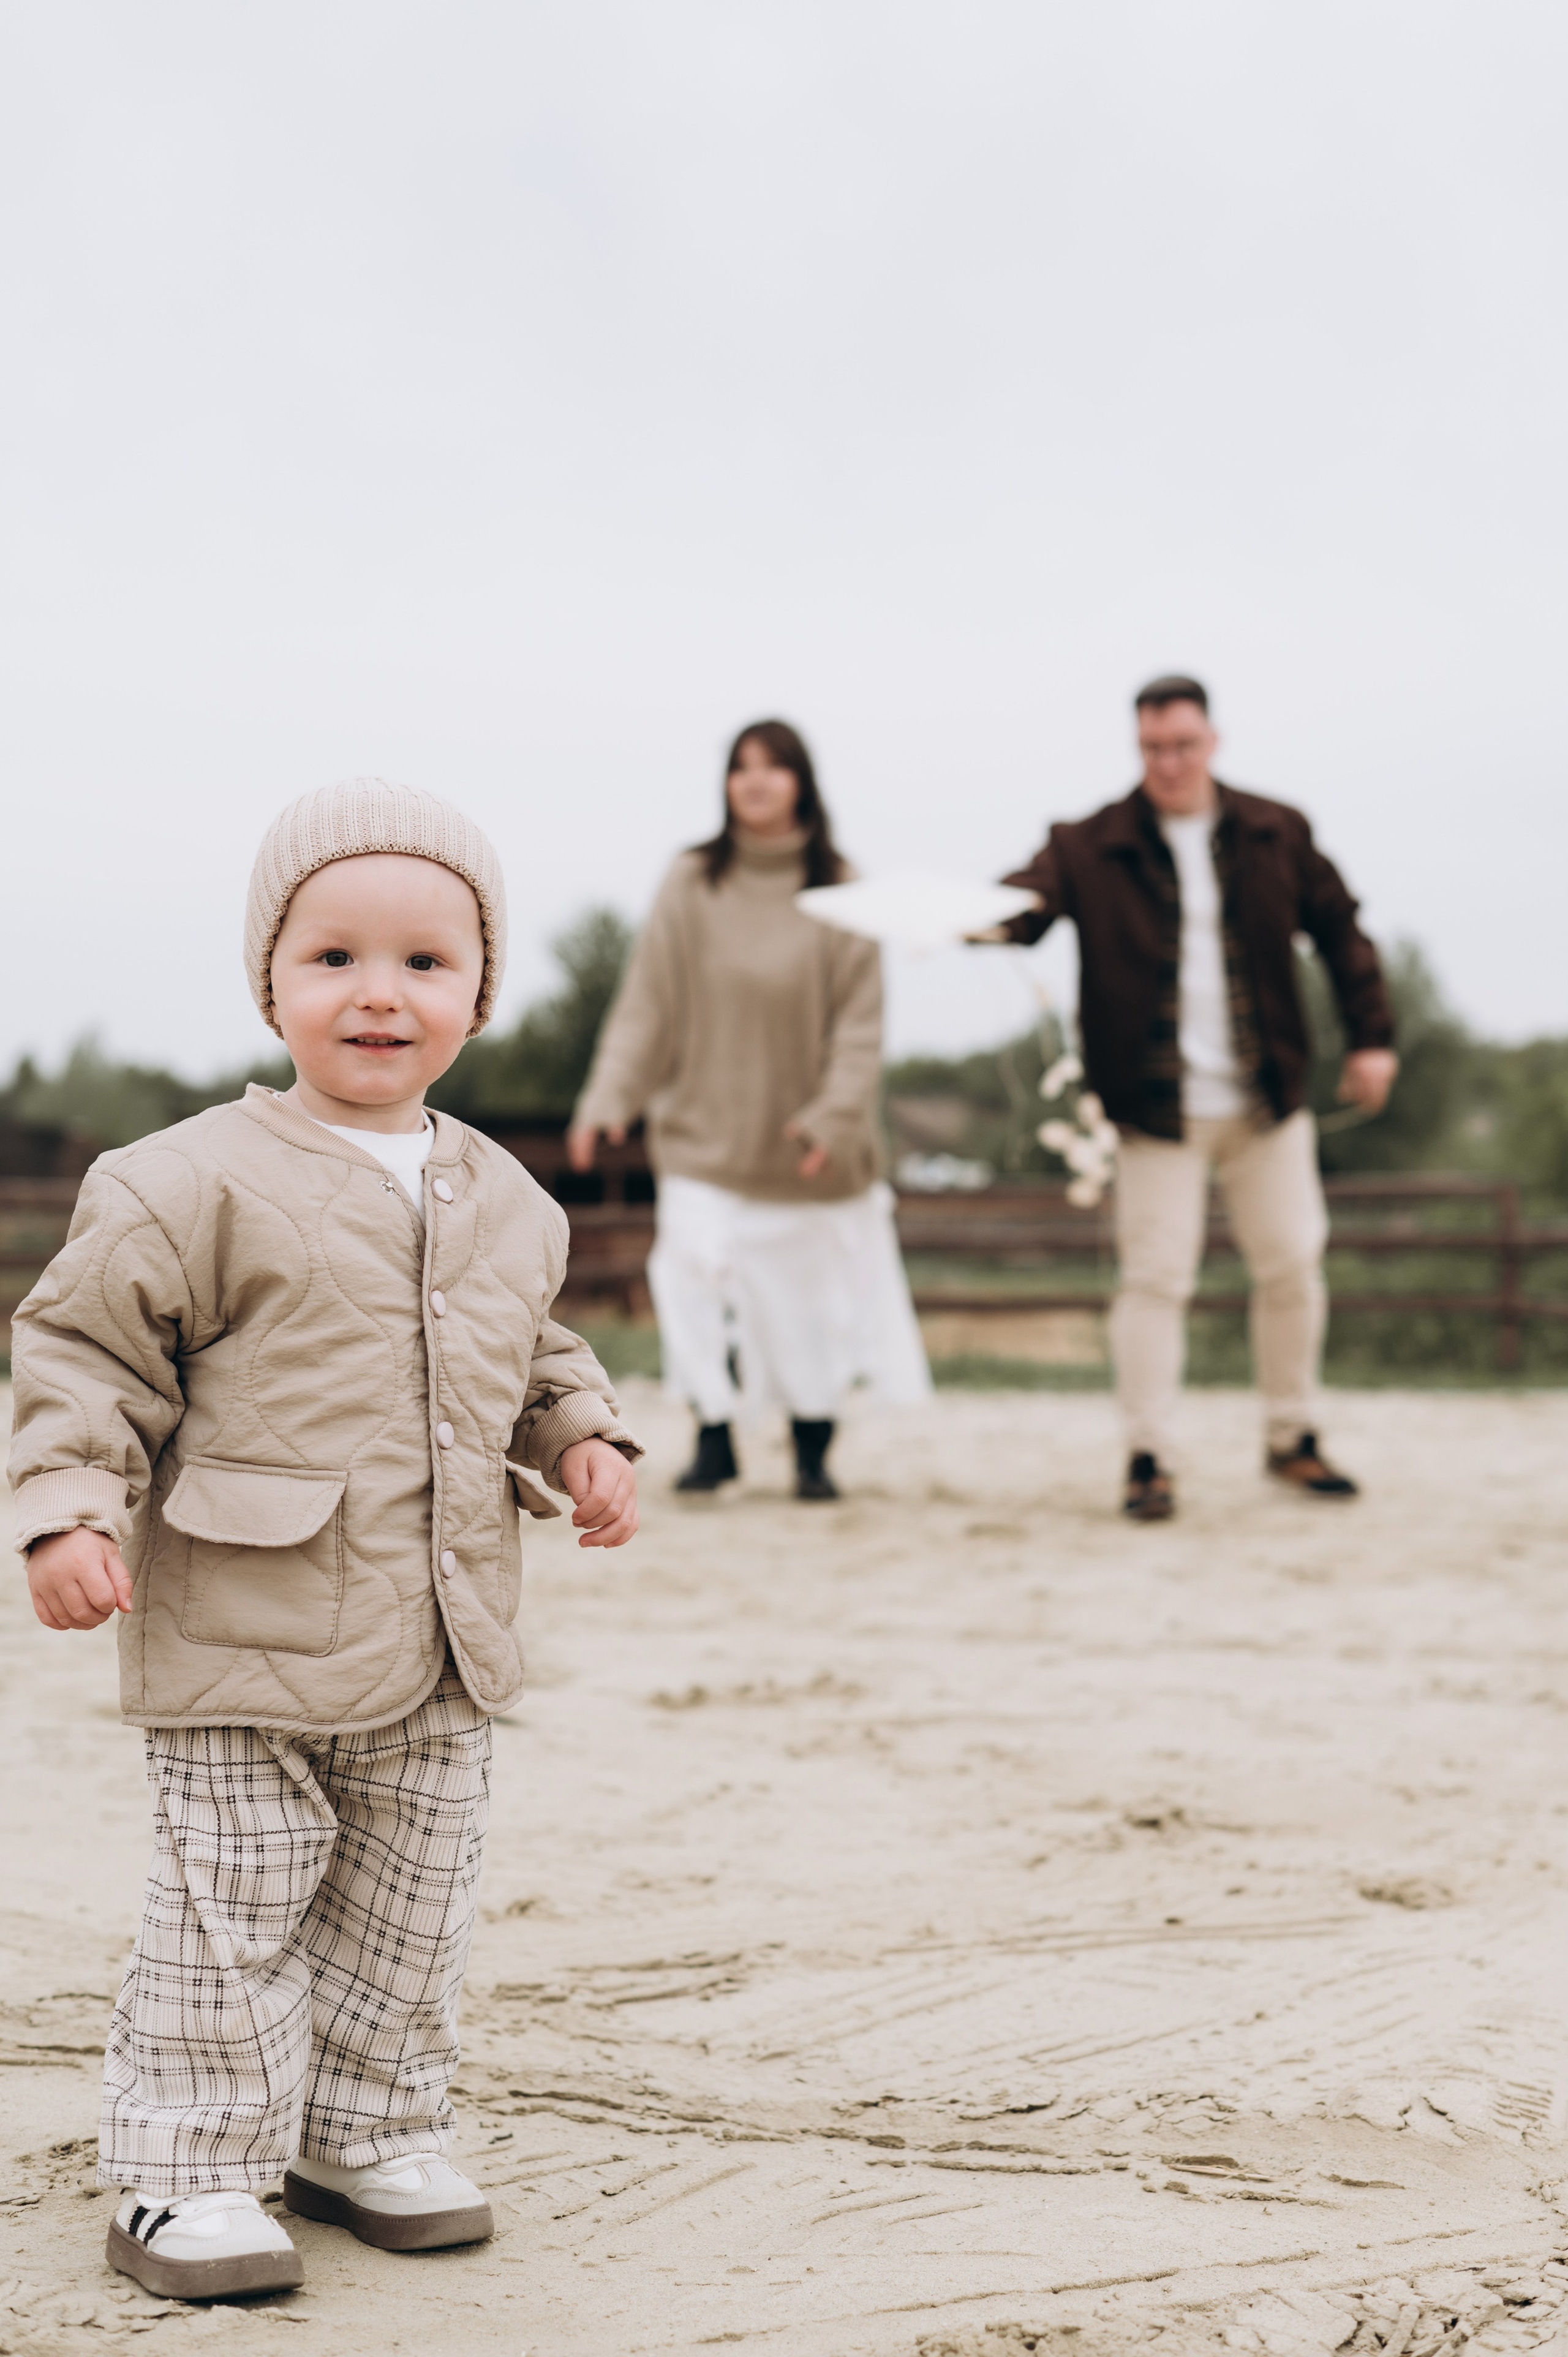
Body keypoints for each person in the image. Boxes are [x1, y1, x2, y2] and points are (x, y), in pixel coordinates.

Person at [8, 780, 641, 2301]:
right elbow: (85, 1361)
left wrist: (585, 1432)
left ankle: (367, 2130)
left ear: (477, 990)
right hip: (241, 1621)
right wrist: (66, 1510)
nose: (379, 992)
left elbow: (530, 1347)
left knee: (407, 1907)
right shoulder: (181, 1180)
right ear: (270, 979)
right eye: (334, 956)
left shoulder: (506, 1195)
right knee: (234, 1903)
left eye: (426, 961)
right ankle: (189, 2169)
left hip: (439, 1626)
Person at [991, 677, 1396, 1520]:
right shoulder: (1088, 842)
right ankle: (1150, 1458)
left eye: (1182, 745)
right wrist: (951, 916)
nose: (1168, 762)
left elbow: (1342, 929)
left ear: (1212, 741)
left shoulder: (1275, 830)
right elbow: (1020, 910)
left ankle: (1293, 1438)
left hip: (1267, 1100)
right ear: (1138, 748)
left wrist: (1373, 1037)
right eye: (1152, 748)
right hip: (1156, 1110)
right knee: (1155, 1279)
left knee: (1292, 1264)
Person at [568, 719, 929, 1500]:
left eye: (773, 767)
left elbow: (860, 1025)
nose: (755, 781)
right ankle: (714, 1438)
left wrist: (834, 1117)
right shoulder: (693, 880)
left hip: (807, 1152)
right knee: (693, 1285)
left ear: (803, 780)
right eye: (741, 767)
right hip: (705, 1136)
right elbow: (648, 1003)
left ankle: (811, 1450)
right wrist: (608, 1098)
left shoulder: (842, 887)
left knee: (808, 1309)